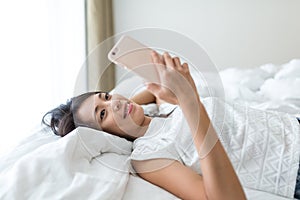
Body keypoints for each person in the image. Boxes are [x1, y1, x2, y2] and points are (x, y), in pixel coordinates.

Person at [43, 51, 300, 199]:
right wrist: (189, 101)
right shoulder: (148, 157)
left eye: (107, 97)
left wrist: (159, 91)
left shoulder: (157, 110)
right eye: (102, 115)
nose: (115, 105)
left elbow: (150, 95)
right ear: (105, 136)